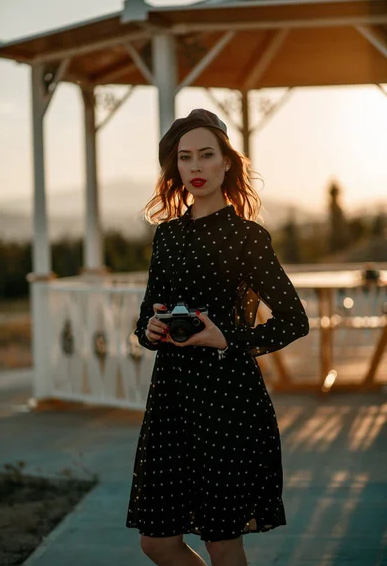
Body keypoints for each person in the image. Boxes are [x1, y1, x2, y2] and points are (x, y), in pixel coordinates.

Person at [126, 108, 310, 566]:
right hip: (172, 402)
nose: (195, 167)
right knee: (157, 542)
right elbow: (149, 314)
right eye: (185, 157)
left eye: (206, 155)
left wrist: (226, 339)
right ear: (176, 168)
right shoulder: (167, 237)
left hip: (228, 402)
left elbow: (293, 319)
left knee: (222, 542)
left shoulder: (248, 237)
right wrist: (149, 328)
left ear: (227, 162)